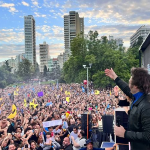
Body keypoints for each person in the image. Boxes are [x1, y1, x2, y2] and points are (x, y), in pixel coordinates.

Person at [105, 67, 150, 150]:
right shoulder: (137, 97)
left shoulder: (146, 106)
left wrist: (125, 134)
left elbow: (148, 136)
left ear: (135, 86)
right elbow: (125, 88)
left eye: (130, 79)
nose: (129, 81)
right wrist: (115, 77)